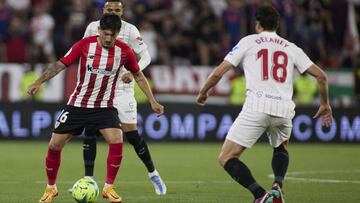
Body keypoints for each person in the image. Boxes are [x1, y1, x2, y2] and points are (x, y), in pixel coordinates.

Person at [196, 5, 332, 203]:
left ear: (257, 24)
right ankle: (277, 186)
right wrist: (324, 104)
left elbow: (219, 72)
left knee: (227, 157)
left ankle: (260, 195)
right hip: (285, 109)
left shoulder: (249, 42)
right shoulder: (291, 47)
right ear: (277, 25)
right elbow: (321, 76)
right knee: (281, 147)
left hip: (257, 106)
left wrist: (203, 92)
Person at [27, 14, 164, 203]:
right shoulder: (84, 45)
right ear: (99, 30)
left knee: (117, 139)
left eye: (112, 35)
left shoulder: (124, 51)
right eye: (105, 34)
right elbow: (60, 64)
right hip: (78, 104)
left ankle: (109, 188)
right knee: (54, 144)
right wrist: (38, 82)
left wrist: (153, 101)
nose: (108, 38)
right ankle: (50, 188)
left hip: (104, 107)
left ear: (117, 34)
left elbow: (138, 75)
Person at [78, 0, 166, 195]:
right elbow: (84, 52)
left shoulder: (130, 30)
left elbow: (147, 57)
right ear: (103, 10)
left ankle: (153, 174)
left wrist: (134, 72)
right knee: (90, 130)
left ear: (122, 11)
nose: (113, 12)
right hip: (98, 89)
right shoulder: (93, 27)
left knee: (132, 135)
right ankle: (88, 181)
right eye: (110, 9)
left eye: (117, 10)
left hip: (121, 88)